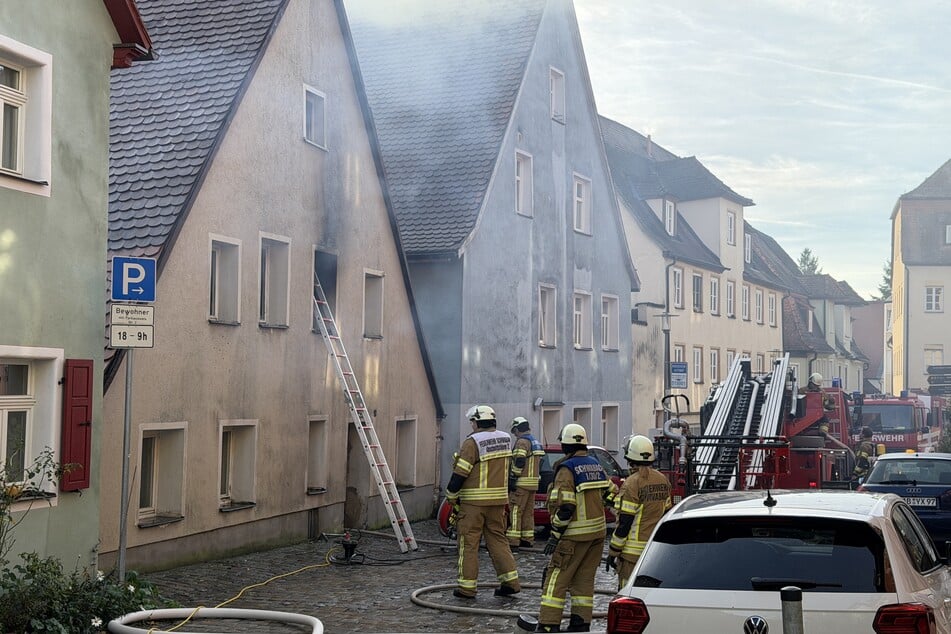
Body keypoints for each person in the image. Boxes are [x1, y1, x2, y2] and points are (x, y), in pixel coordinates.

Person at [536, 423, 614, 633]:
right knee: (584, 580)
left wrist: (554, 536)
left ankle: (548, 624)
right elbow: (611, 494)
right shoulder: (595, 465)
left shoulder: (566, 469)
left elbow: (566, 507)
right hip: (597, 534)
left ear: (566, 445)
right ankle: (580, 623)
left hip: (573, 536)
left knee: (556, 579)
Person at [445, 405, 521, 599]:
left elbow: (461, 472)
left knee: (469, 543)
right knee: (498, 541)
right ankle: (511, 583)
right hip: (498, 501)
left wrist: (451, 495)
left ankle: (467, 588)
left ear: (477, 422)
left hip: (473, 503)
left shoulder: (473, 442)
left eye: (472, 422)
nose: (471, 425)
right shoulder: (505, 438)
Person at [605, 435, 672, 590]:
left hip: (631, 554)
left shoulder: (631, 483)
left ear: (630, 458)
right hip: (654, 551)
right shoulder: (662, 479)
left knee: (628, 593)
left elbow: (625, 523)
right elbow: (666, 514)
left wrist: (613, 552)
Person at [507, 416, 545, 550]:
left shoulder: (522, 442)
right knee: (528, 513)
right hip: (533, 483)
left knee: (515, 511)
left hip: (521, 483)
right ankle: (527, 539)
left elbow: (519, 461)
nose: (514, 434)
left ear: (517, 429)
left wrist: (513, 477)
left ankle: (513, 540)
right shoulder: (535, 441)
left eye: (514, 431)